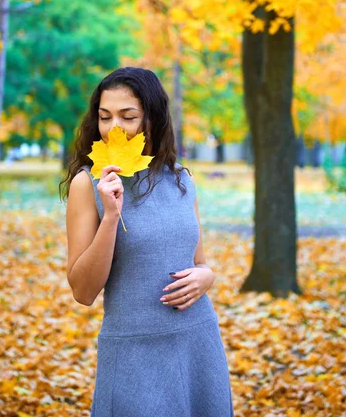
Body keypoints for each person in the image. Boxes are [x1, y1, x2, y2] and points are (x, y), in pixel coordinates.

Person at [60, 66, 234, 417]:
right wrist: (110, 215)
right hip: (133, 348)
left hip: (196, 341)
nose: (114, 128)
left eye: (128, 116)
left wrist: (208, 277)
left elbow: (200, 262)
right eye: (105, 117)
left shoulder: (182, 178)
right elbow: (83, 291)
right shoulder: (87, 184)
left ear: (153, 118)